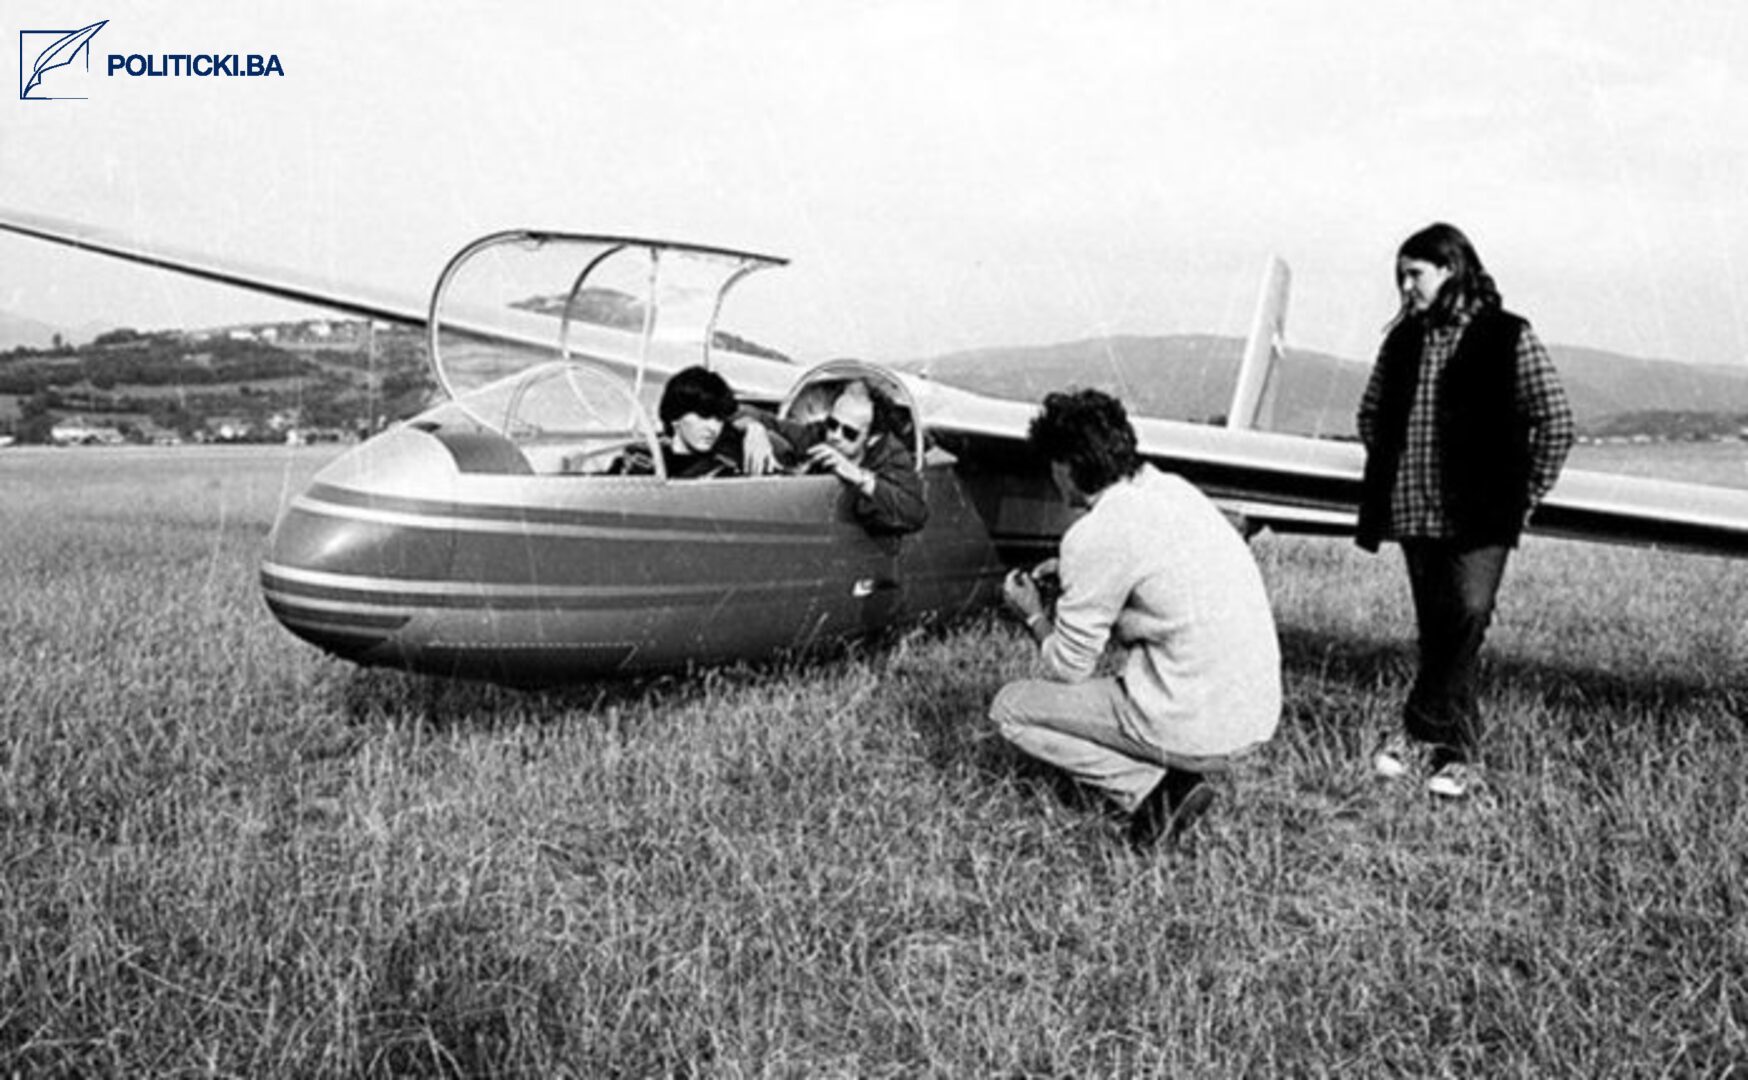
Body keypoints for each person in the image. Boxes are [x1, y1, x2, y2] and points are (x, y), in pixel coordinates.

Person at [990, 389, 1281, 850]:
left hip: (1195, 724)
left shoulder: (1095, 533)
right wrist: (1073, 573)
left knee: (1009, 708)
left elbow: (1070, 666)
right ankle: (1173, 775)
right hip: (1254, 715)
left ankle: (1151, 792)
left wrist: (1031, 616)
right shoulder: (1171, 490)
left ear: (1066, 465)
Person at [1356, 222, 1574, 800]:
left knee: (1470, 614)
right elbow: (1370, 413)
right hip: (1413, 512)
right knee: (1444, 636)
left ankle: (1410, 733)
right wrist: (1391, 465)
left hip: (1482, 515)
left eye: (1415, 274)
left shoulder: (1508, 336)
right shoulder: (1401, 342)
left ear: (1450, 269)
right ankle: (1460, 760)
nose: (1405, 286)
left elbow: (1556, 419)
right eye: (1400, 275)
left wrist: (1525, 494)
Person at [768, 379, 928, 535]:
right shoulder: (819, 435)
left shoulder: (891, 455)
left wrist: (859, 477)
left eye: (849, 433)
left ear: (871, 438)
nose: (835, 435)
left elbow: (915, 514)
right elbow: (759, 417)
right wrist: (753, 428)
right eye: (832, 424)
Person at [609, 366, 778, 479]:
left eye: (718, 419)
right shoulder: (638, 459)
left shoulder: (722, 473)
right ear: (676, 416)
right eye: (703, 416)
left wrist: (756, 429)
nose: (712, 428)